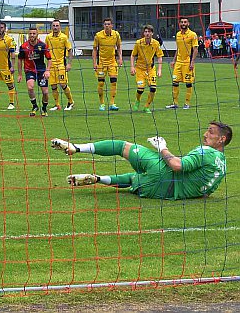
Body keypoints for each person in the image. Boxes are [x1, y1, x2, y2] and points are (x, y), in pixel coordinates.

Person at [53, 121, 232, 200]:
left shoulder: (206, 151)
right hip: (160, 192)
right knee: (133, 178)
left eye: (210, 132)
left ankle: (76, 148)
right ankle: (98, 179)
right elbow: (205, 194)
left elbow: (177, 165)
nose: (205, 134)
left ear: (222, 139)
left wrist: (162, 147)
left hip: (163, 171)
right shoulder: (223, 167)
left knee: (122, 147)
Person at [18, 27, 52, 117]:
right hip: (29, 70)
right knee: (30, 87)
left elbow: (49, 59)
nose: (32, 35)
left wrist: (47, 70)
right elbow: (20, 60)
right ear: (28, 35)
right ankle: (34, 106)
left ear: (37, 34)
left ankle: (44, 108)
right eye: (30, 33)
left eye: (34, 33)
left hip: (41, 70)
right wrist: (20, 74)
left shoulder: (43, 45)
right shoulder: (24, 46)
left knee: (45, 92)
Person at [129, 24, 163, 114]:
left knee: (153, 88)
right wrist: (132, 67)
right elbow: (133, 55)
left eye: (149, 32)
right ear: (143, 33)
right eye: (146, 32)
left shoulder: (156, 43)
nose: (147, 33)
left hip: (151, 69)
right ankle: (137, 100)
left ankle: (146, 107)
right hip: (140, 69)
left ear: (152, 33)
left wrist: (159, 69)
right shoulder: (138, 43)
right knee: (140, 88)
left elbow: (159, 57)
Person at [166, 17, 199, 110]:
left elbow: (195, 49)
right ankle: (175, 103)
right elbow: (178, 48)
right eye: (181, 22)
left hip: (187, 63)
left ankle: (187, 103)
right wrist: (174, 60)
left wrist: (192, 62)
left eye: (185, 22)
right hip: (178, 63)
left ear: (188, 23)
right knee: (175, 82)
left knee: (188, 83)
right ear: (179, 24)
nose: (183, 23)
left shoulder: (193, 35)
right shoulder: (178, 34)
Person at [92, 17, 123, 111]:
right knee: (101, 83)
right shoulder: (98, 35)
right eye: (105, 24)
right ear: (103, 25)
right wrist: (94, 63)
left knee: (113, 82)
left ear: (112, 25)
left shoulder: (116, 34)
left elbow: (119, 47)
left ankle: (112, 103)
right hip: (101, 63)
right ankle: (102, 104)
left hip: (112, 62)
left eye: (109, 24)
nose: (107, 26)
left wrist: (120, 58)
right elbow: (94, 49)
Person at [45, 19, 74, 111]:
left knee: (63, 84)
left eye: (57, 26)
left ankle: (70, 102)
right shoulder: (48, 37)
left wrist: (69, 64)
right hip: (51, 66)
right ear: (51, 27)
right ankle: (57, 105)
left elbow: (70, 50)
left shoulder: (64, 37)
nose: (55, 27)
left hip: (61, 65)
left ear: (60, 27)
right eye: (54, 26)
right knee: (53, 85)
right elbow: (45, 50)